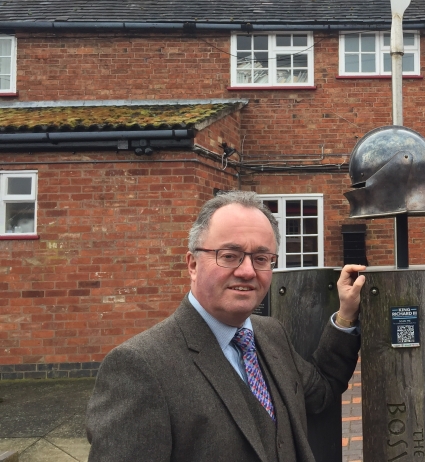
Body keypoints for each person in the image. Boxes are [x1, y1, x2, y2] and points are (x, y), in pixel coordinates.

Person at [86, 191, 366, 462]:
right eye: (229, 255)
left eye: (261, 258)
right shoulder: (139, 367)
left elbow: (321, 393)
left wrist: (346, 315)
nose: (247, 271)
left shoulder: (271, 333)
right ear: (192, 264)